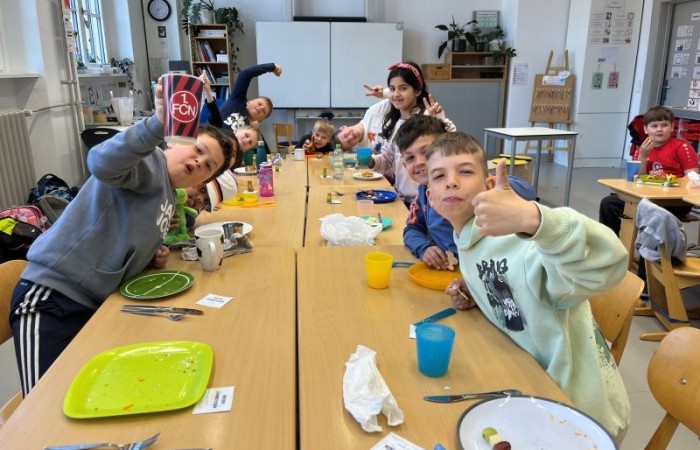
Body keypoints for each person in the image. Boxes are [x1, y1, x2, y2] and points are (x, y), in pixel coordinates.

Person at [10, 77, 235, 396]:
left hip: (94, 305)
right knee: (43, 406)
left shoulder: (168, 193)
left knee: (90, 396)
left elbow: (127, 232)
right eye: (198, 150)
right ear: (174, 141)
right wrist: (157, 123)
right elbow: (100, 162)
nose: (199, 162)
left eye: (208, 166)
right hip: (52, 297)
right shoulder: (149, 163)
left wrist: (149, 257)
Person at [425, 132, 630, 441]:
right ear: (430, 197)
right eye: (439, 176)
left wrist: (534, 220)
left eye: (465, 171)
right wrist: (479, 294)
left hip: (576, 410)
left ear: (489, 186)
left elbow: (608, 264)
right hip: (526, 387)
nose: (451, 182)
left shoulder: (521, 242)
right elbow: (513, 289)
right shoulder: (467, 238)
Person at [398, 116, 538, 270]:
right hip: (458, 270)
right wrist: (425, 248)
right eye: (410, 158)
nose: (419, 162)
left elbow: (527, 192)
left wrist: (487, 185)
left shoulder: (479, 186)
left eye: (426, 152)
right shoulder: (424, 194)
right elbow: (412, 229)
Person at [599, 106, 698, 235]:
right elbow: (636, 179)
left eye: (664, 125)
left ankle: (647, 247)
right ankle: (611, 243)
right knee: (609, 204)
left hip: (674, 202)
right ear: (646, 129)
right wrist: (643, 156)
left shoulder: (682, 146)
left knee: (646, 212)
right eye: (654, 126)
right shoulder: (643, 149)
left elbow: (692, 178)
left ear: (672, 127)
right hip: (646, 197)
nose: (659, 129)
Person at [365, 61, 452, 205]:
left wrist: (441, 121)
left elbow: (452, 145)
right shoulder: (397, 123)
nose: (396, 94)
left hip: (427, 202)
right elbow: (387, 159)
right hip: (403, 200)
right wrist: (370, 161)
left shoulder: (427, 118)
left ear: (417, 90)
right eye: (392, 89)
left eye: (403, 88)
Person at [202, 63, 282, 134]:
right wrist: (272, 66)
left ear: (260, 120)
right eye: (259, 104)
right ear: (249, 102)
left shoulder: (248, 134)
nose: (261, 108)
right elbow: (245, 74)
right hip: (208, 136)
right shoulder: (238, 100)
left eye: (263, 111)